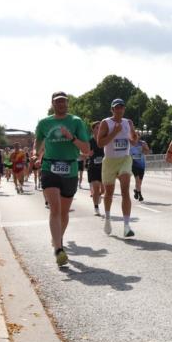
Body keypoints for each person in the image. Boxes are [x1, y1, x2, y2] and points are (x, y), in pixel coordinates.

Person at [35, 91, 91, 266]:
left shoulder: (76, 122)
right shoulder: (44, 123)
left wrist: (71, 137)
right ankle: (59, 249)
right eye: (58, 101)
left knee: (64, 213)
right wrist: (36, 155)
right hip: (49, 167)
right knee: (55, 209)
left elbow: (86, 149)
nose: (61, 104)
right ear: (52, 103)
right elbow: (37, 145)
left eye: (64, 101)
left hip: (70, 168)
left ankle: (57, 238)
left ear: (67, 103)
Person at [95, 98, 137, 238]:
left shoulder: (128, 122)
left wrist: (134, 137)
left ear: (124, 109)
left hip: (125, 159)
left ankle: (126, 226)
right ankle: (107, 218)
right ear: (112, 110)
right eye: (116, 108)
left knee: (125, 190)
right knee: (109, 193)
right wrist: (114, 132)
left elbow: (133, 140)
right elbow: (100, 143)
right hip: (110, 161)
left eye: (121, 107)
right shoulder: (106, 123)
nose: (119, 110)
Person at [85, 122, 105, 215]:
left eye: (100, 127)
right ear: (93, 129)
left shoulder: (104, 140)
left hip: (103, 168)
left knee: (103, 190)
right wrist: (88, 154)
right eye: (97, 127)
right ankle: (96, 208)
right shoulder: (90, 141)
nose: (99, 129)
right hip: (93, 167)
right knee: (96, 188)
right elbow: (84, 152)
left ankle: (97, 196)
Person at [131, 132, 151, 201]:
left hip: (141, 164)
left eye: (138, 135)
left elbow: (147, 152)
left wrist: (144, 149)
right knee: (137, 180)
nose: (136, 136)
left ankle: (136, 191)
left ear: (139, 136)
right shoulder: (130, 143)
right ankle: (140, 195)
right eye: (135, 135)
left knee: (140, 181)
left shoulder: (143, 143)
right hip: (133, 164)